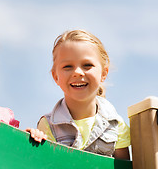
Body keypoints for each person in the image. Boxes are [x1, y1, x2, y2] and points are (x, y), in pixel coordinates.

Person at [37, 29, 130, 159]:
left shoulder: (116, 124)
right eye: (68, 66)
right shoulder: (47, 126)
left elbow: (123, 166)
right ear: (55, 76)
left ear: (104, 73)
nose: (78, 72)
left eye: (87, 65)